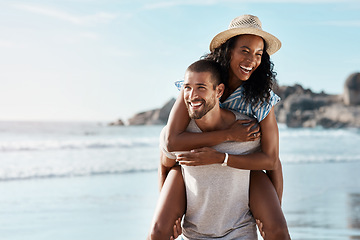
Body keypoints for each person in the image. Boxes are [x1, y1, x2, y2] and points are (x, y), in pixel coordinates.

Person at [148, 14, 291, 240]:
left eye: (258, 54)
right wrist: (227, 135)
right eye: (245, 51)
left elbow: (272, 161)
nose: (251, 60)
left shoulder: (261, 99)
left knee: (278, 229)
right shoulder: (201, 83)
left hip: (246, 171)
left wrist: (273, 213)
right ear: (228, 50)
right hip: (192, 174)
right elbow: (170, 143)